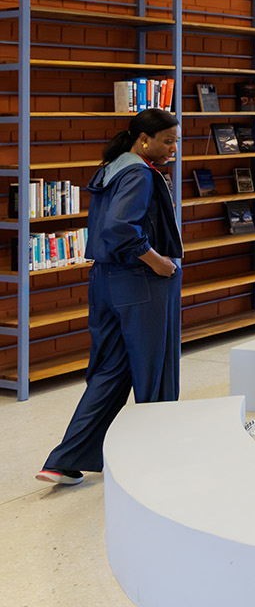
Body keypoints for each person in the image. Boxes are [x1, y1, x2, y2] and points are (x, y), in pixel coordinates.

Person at [36, 109, 183, 486]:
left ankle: (64, 460)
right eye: (167, 141)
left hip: (105, 281)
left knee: (110, 371)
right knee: (155, 373)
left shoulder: (112, 168)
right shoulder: (139, 173)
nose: (173, 148)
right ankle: (157, 459)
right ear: (144, 140)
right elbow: (121, 228)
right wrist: (159, 263)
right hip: (141, 282)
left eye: (176, 141)